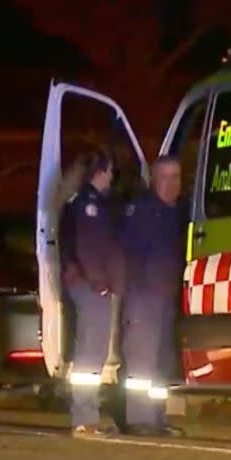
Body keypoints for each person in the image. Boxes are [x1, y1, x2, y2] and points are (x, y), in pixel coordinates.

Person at [60, 150, 127, 439]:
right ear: (100, 172)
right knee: (90, 353)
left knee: (93, 351)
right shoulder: (89, 205)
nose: (112, 177)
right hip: (89, 286)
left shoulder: (92, 203)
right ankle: (83, 419)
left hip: (89, 284)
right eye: (110, 171)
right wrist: (100, 282)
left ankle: (88, 416)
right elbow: (87, 247)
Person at [119, 156, 186, 436]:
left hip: (168, 297)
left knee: (161, 362)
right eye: (165, 177)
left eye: (176, 178)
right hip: (143, 295)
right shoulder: (141, 210)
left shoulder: (178, 212)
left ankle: (157, 418)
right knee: (141, 362)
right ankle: (138, 419)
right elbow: (128, 253)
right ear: (153, 180)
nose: (171, 184)